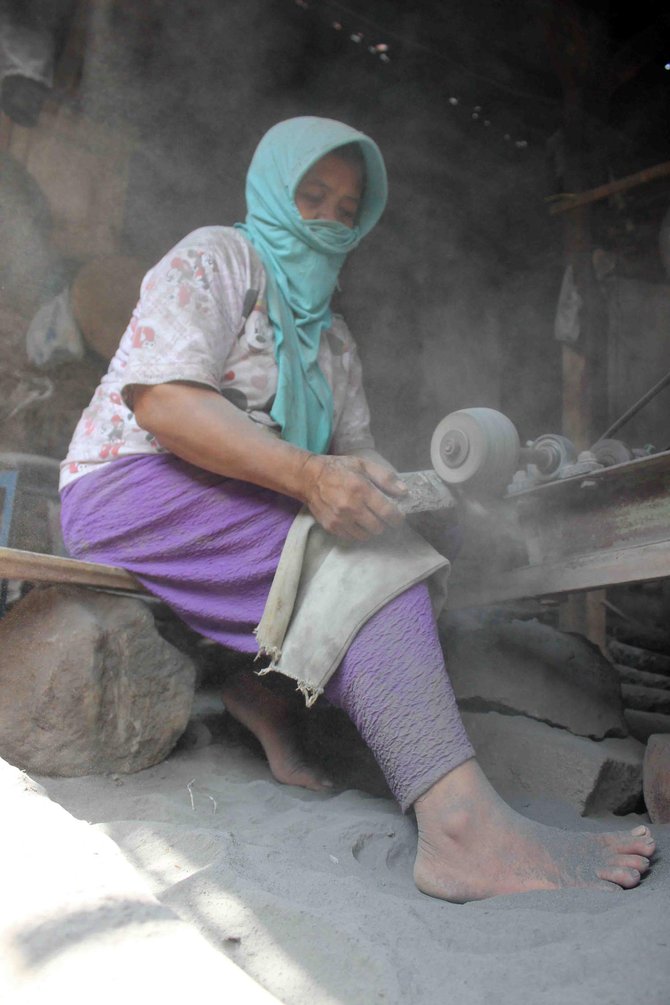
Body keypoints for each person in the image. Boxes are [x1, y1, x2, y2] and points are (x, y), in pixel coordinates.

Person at [60, 116, 655, 902]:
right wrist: (310, 476)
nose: (331, 222)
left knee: (396, 539)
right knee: (364, 561)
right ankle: (459, 834)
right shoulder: (217, 259)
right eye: (313, 197)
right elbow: (163, 402)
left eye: (348, 210)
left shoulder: (333, 341)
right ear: (272, 189)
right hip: (130, 486)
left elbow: (357, 459)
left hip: (229, 502)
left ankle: (264, 694)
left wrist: (407, 491)